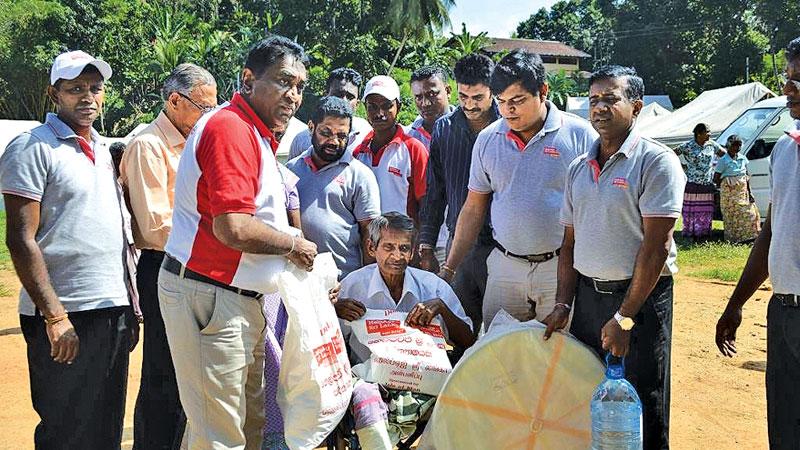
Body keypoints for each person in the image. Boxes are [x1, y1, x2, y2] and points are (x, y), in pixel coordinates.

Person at [158, 36, 318, 449]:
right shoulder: (231, 127)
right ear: (248, 80)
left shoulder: (254, 132)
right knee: (218, 433)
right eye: (284, 81)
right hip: (211, 296)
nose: (294, 95)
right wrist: (293, 245)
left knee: (244, 427)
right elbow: (233, 228)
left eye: (300, 86)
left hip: (236, 298)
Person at [0, 50, 139, 449]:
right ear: (53, 94)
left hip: (111, 309)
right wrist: (55, 316)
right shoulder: (32, 147)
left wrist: (129, 307)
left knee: (106, 427)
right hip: (65, 315)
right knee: (65, 429)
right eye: (75, 89)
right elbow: (20, 239)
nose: (88, 97)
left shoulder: (107, 151)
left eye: (95, 89)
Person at [542, 65, 685, 450]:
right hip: (588, 300)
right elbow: (568, 245)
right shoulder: (577, 168)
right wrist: (561, 303)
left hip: (640, 301)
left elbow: (657, 247)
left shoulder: (656, 162)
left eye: (611, 99)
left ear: (636, 107)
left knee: (643, 406)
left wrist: (625, 316)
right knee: (590, 396)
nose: (599, 108)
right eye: (593, 101)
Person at [440, 49, 597, 329]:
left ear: (543, 91)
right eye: (501, 102)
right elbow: (473, 208)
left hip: (558, 268)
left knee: (555, 354)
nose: (508, 110)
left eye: (517, 100)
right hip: (504, 267)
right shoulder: (489, 139)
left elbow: (595, 207)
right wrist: (449, 268)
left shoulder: (579, 135)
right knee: (499, 352)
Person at [120, 62, 217, 450]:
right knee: (163, 371)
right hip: (164, 266)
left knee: (186, 373)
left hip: (192, 266)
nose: (209, 116)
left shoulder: (192, 143)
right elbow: (155, 226)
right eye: (203, 107)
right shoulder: (148, 145)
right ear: (175, 101)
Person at [716, 36, 800, 450]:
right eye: (787, 77)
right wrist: (735, 304)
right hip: (783, 312)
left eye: (799, 79)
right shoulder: (785, 149)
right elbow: (769, 232)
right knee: (784, 428)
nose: (788, 88)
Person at [334, 212, 473, 449]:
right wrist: (335, 310)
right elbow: (331, 343)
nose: (397, 256)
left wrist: (441, 309)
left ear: (412, 251)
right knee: (363, 395)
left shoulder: (432, 286)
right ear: (371, 247)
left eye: (404, 248)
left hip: (422, 382)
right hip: (368, 379)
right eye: (388, 247)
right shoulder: (352, 286)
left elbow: (469, 341)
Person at [419, 53, 499, 338]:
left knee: (501, 331)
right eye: (463, 96)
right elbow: (434, 194)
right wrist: (426, 243)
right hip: (460, 249)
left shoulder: (509, 127)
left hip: (502, 249)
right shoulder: (444, 129)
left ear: (492, 90)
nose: (468, 104)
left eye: (477, 97)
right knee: (459, 328)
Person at [286, 96, 381, 279]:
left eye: (341, 136)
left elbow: (370, 235)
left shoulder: (360, 175)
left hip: (345, 280)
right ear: (311, 127)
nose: (334, 141)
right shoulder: (291, 170)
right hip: (298, 277)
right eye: (326, 133)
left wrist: (367, 281)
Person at [353, 75, 428, 224]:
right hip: (368, 242)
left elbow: (426, 203)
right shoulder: (358, 153)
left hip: (403, 242)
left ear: (398, 107)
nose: (379, 113)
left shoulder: (414, 149)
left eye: (387, 106)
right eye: (372, 106)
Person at [288, 68, 372, 160]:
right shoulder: (302, 140)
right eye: (338, 95)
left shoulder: (366, 133)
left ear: (357, 104)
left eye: (350, 97)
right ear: (325, 95)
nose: (343, 101)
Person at [673, 123, 721, 241]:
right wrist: (682, 166)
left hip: (707, 184)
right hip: (692, 183)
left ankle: (704, 232)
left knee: (705, 209)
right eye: (707, 132)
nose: (709, 134)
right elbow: (670, 154)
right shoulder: (687, 146)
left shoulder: (712, 145)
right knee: (692, 209)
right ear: (699, 133)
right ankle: (690, 233)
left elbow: (725, 156)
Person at [713, 134, 761, 243]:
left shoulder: (743, 158)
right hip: (729, 193)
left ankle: (749, 237)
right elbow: (716, 178)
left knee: (750, 213)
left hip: (742, 192)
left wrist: (750, 193)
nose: (737, 148)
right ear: (729, 146)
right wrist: (727, 183)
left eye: (739, 145)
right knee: (732, 215)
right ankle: (735, 239)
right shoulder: (723, 160)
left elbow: (746, 177)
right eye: (735, 145)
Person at [406, 65, 454, 149]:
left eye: (431, 94)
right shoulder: (408, 137)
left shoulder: (470, 130)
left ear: (448, 91)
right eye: (418, 97)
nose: (425, 103)